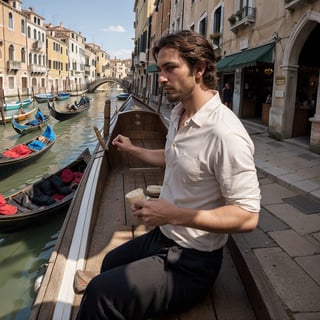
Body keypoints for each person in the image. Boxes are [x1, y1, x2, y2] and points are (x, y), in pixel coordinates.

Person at [76, 30, 261, 320]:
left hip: (193, 261)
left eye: (170, 68)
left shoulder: (225, 133)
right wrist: (133, 149)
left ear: (199, 69)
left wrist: (173, 214)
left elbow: (248, 216)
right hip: (165, 235)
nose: (161, 77)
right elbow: (173, 158)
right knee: (111, 261)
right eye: (160, 69)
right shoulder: (178, 114)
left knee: (100, 294)